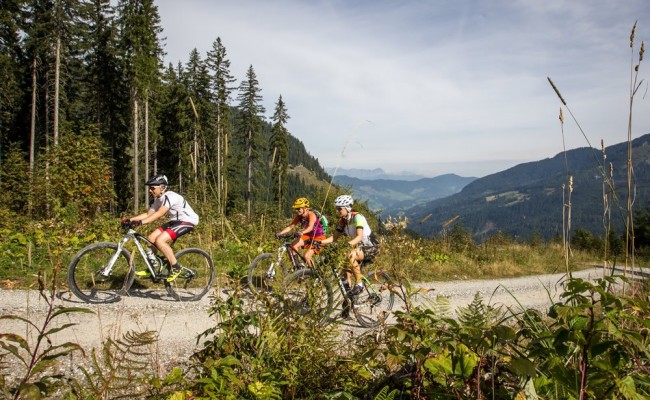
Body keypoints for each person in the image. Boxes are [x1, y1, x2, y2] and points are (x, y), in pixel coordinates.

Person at [124, 174, 199, 282]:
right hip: (175, 221)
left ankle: (176, 267)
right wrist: (129, 220)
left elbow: (159, 214)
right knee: (150, 239)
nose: (150, 190)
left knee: (160, 241)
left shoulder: (170, 196)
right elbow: (148, 214)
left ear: (162, 187)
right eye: (150, 188)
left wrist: (140, 223)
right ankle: (152, 268)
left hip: (187, 220)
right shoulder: (158, 199)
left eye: (152, 188)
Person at [320, 195, 380, 297]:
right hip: (359, 248)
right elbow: (334, 237)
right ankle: (349, 301)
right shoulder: (343, 221)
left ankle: (360, 284)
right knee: (345, 273)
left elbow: (359, 237)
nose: (337, 211)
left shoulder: (358, 217)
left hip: (371, 247)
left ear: (347, 208)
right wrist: (319, 242)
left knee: (350, 255)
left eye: (339, 209)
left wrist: (346, 244)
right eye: (336, 208)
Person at [275, 197, 327, 267]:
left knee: (306, 256)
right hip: (308, 236)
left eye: (299, 208)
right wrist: (280, 233)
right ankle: (297, 266)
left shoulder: (311, 215)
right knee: (293, 246)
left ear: (305, 208)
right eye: (296, 209)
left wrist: (302, 232)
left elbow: (310, 227)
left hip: (319, 237)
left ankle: (313, 274)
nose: (297, 210)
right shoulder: (299, 217)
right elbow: (290, 227)